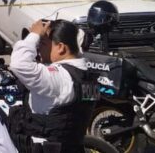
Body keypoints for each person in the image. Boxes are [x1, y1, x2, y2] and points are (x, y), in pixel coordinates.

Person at [6, 19, 94, 153]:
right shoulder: (86, 74)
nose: (38, 48)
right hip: (72, 146)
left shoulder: (59, 77)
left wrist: (34, 35)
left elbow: (19, 64)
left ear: (61, 47)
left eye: (42, 43)